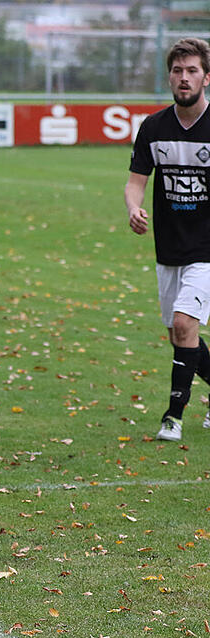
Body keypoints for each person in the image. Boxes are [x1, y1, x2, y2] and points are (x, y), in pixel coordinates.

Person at [127, 37, 210, 442]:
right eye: (178, 70)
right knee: (179, 335)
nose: (184, 77)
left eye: (192, 70)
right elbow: (135, 181)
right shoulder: (154, 127)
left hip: (207, 249)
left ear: (206, 77)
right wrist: (133, 208)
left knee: (182, 324)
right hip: (169, 247)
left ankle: (173, 417)